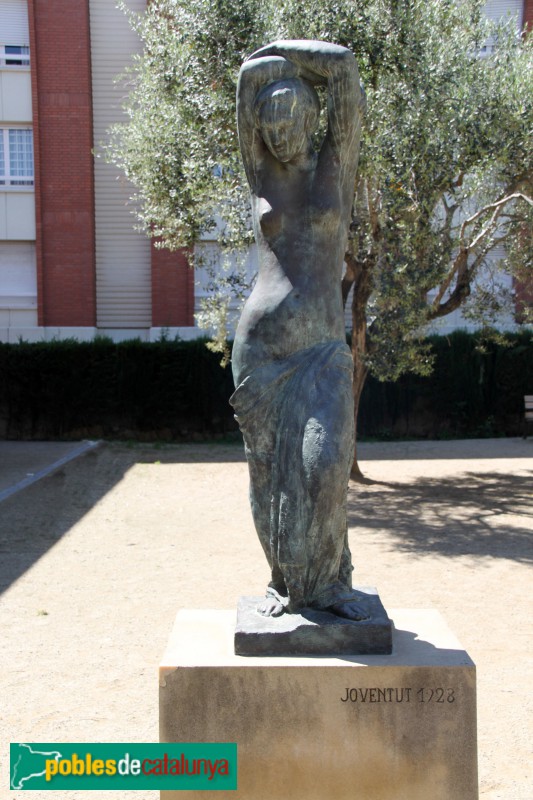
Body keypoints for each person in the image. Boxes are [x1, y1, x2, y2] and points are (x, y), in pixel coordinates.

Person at [230, 40, 368, 620]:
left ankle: (331, 583)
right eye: (270, 128)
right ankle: (282, 583)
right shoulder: (262, 174)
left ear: (312, 120)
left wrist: (281, 52)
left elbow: (346, 77)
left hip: (322, 352)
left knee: (324, 466)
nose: (280, 138)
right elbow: (245, 90)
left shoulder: (336, 167)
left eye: (290, 124)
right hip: (261, 353)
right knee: (267, 478)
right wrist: (258, 73)